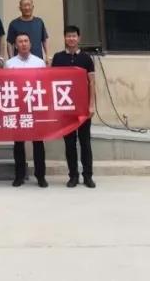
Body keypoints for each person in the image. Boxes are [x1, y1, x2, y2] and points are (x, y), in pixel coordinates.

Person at [51, 25, 97, 189]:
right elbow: (52, 82)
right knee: (69, 143)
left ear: (79, 38)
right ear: (64, 38)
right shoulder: (58, 58)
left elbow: (92, 83)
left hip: (83, 108)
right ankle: (73, 176)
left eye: (74, 36)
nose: (71, 39)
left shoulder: (86, 58)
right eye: (68, 36)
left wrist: (91, 105)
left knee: (85, 143)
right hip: (66, 108)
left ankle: (88, 176)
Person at [6, 33, 48, 188]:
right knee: (18, 143)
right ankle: (19, 175)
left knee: (38, 143)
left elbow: (44, 84)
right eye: (20, 42)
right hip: (18, 107)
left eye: (26, 41)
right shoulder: (9, 64)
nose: (23, 44)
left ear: (30, 44)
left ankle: (40, 176)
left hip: (35, 106)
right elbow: (6, 85)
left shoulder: (39, 62)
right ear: (15, 46)